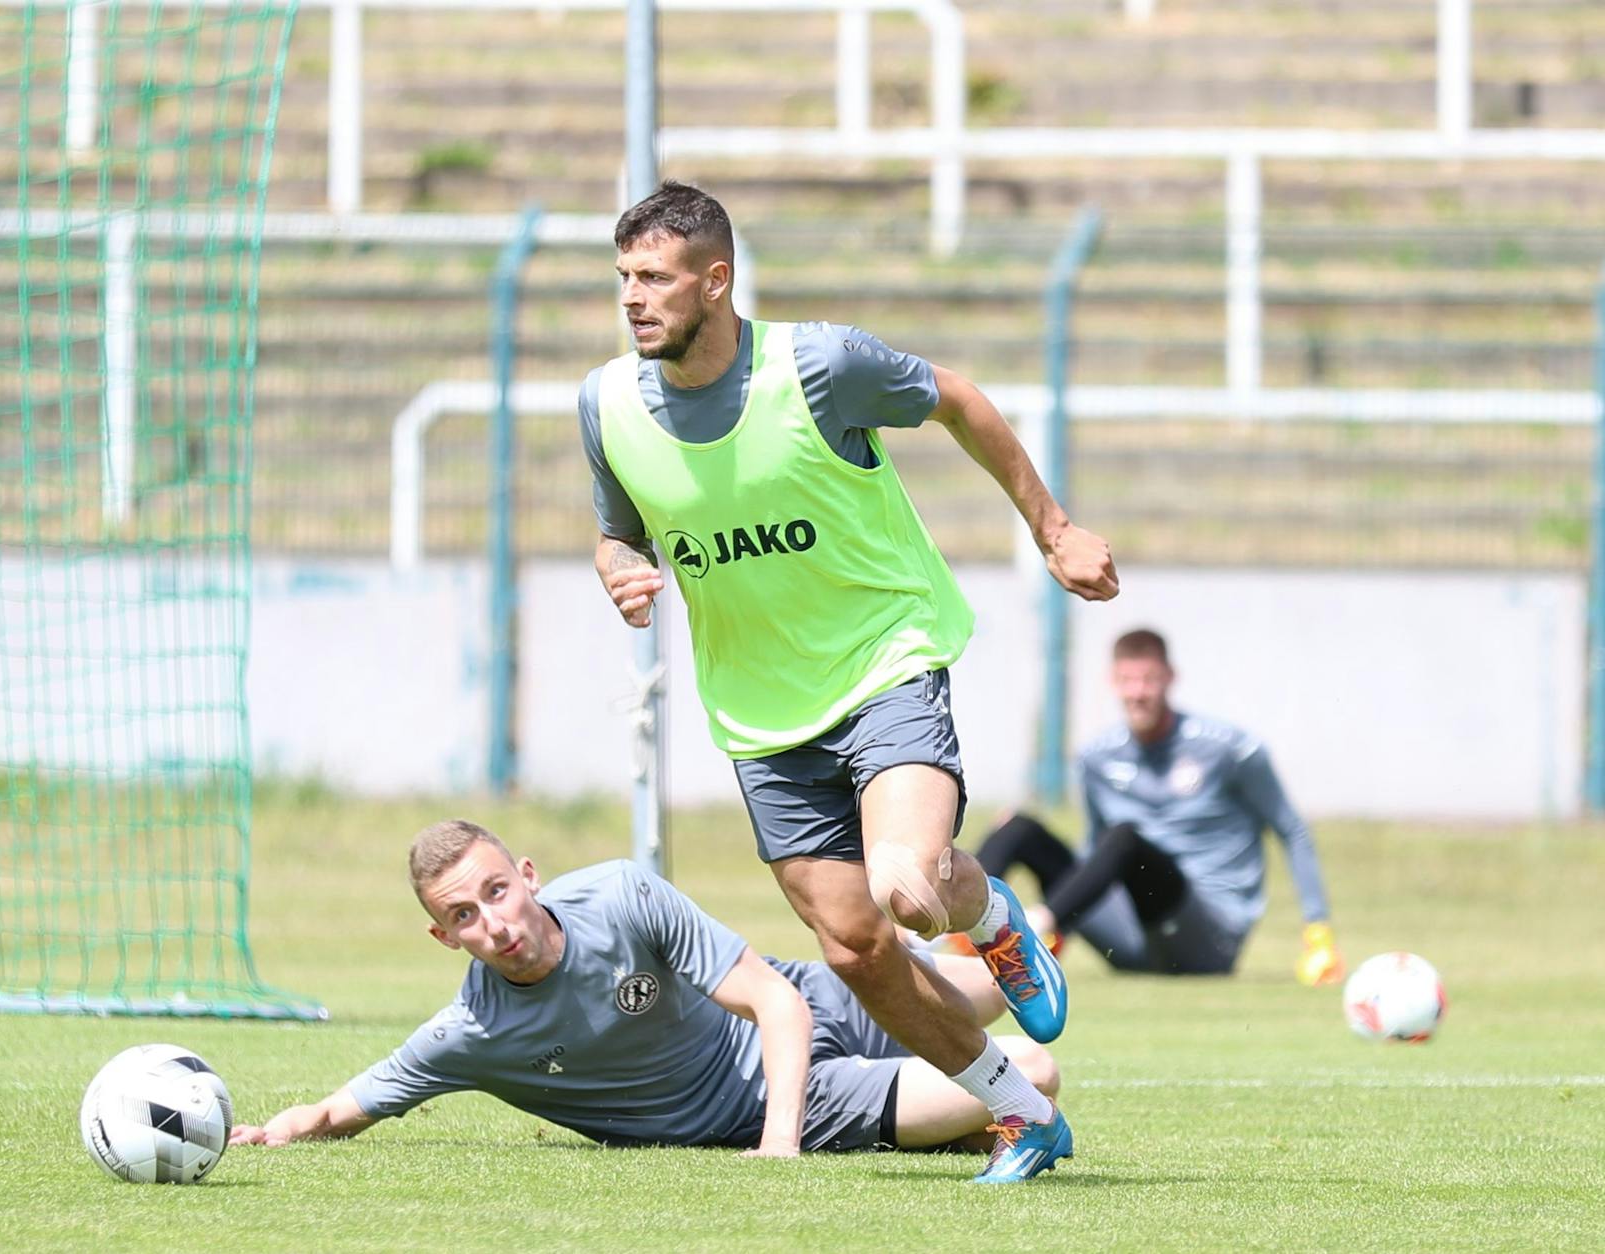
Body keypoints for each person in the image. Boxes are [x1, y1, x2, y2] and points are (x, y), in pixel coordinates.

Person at [576, 181, 1116, 1180]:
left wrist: (1052, 529)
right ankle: (1018, 1114)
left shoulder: (816, 365)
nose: (632, 299)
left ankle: (990, 918)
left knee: (907, 886)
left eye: (653, 278)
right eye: (623, 279)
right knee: (856, 952)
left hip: (883, 662)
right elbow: (617, 534)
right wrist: (619, 572)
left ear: (716, 280)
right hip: (758, 713)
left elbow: (955, 398)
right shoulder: (606, 405)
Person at [230, 820, 1061, 1170]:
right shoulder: (471, 1032)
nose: (493, 922)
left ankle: (999, 925)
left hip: (805, 1005)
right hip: (798, 1099)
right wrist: (276, 1130)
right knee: (1036, 1075)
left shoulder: (622, 895)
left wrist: (779, 1153)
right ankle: (975, 1120)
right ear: (444, 938)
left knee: (999, 993)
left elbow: (777, 1002)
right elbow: (348, 1106)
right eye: (463, 917)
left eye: (494, 891)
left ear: (526, 877)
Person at [977, 628, 1342, 981]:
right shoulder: (1096, 758)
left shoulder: (1230, 750)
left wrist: (1318, 930)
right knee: (1018, 828)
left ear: (1170, 678)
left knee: (1126, 840)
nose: (1138, 693)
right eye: (1128, 680)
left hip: (1207, 938)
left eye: (1149, 679)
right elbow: (1094, 849)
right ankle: (954, 936)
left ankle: (1033, 931)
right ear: (1112, 682)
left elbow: (1291, 830)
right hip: (1130, 938)